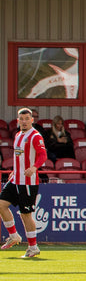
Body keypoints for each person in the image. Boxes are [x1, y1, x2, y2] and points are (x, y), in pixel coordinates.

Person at [0, 108, 47, 258]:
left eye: (27, 118)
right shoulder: (18, 135)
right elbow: (19, 156)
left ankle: (33, 247)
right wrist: (15, 170)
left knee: (26, 214)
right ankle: (14, 236)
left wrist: (34, 167)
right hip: (16, 179)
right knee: (1, 204)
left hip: (28, 181)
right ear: (18, 120)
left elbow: (43, 155)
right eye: (22, 119)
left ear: (32, 120)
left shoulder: (35, 136)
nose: (24, 121)